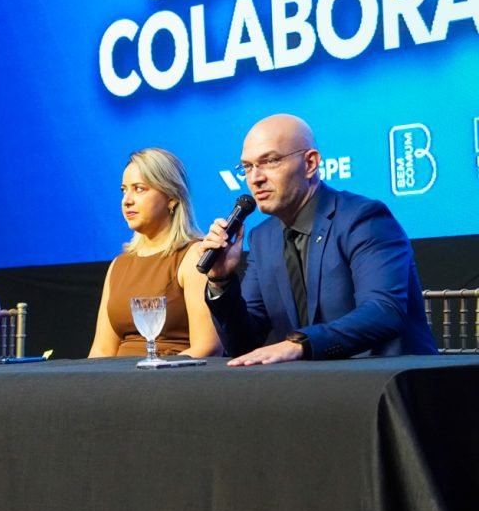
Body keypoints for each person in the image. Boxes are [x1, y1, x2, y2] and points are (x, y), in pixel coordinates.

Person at [199, 113, 437, 365]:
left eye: (270, 161)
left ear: (310, 163)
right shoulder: (262, 238)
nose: (255, 178)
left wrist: (300, 345)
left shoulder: (364, 219)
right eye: (248, 166)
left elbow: (383, 311)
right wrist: (221, 280)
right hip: (316, 388)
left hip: (389, 382)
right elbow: (243, 344)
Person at [89, 148, 223, 358]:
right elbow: (101, 350)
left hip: (170, 380)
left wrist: (151, 377)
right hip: (117, 381)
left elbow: (208, 347)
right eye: (124, 190)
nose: (127, 200)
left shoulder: (194, 255)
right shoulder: (118, 265)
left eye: (139, 189)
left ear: (172, 197)